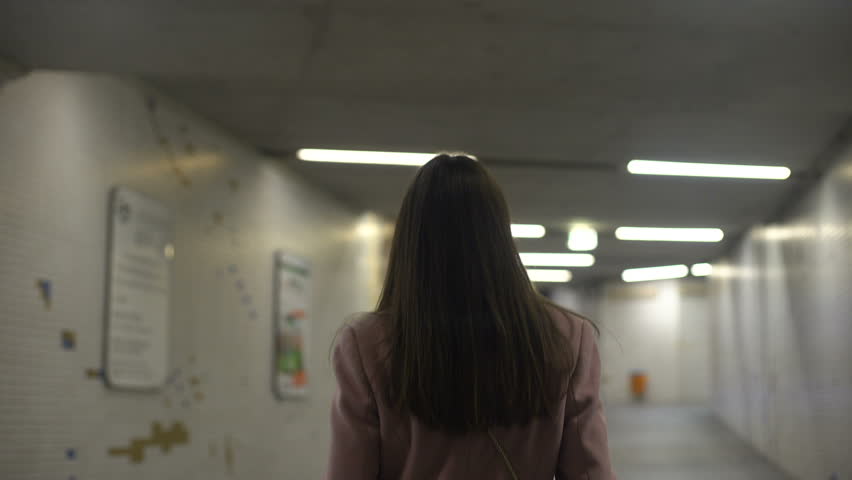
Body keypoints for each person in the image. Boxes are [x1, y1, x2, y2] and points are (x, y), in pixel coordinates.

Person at [326, 154, 615, 479]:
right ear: (500, 236)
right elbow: (590, 471)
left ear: (410, 240)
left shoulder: (366, 343)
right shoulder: (567, 336)